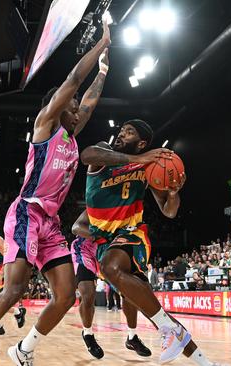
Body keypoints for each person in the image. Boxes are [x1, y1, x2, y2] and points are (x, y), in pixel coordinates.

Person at [0, 18, 111, 366]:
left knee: (66, 296)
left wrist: (105, 66)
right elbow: (74, 81)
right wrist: (102, 39)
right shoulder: (45, 125)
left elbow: (90, 95)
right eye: (73, 104)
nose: (79, 109)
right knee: (14, 290)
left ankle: (23, 350)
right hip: (26, 214)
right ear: (59, 105)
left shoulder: (72, 137)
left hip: (49, 222)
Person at [80, 120, 223, 365]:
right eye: (122, 129)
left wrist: (174, 193)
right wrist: (140, 158)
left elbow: (169, 211)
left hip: (132, 234)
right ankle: (205, 361)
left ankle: (168, 329)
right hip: (105, 241)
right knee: (150, 308)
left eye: (129, 132)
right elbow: (86, 155)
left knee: (110, 267)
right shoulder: (104, 152)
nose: (121, 134)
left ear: (142, 142)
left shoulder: (149, 168)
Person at [70, 209, 151, 360]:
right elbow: (75, 228)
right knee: (88, 294)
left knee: (129, 294)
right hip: (85, 250)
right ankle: (88, 334)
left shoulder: (125, 209)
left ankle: (132, 337)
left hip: (108, 253)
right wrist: (104, 235)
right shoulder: (98, 205)